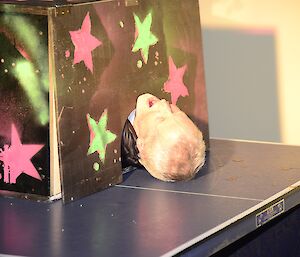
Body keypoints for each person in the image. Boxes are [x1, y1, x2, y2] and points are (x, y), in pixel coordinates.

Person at [121, 93, 206, 181]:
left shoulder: (122, 146)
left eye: (161, 119)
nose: (164, 104)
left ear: (141, 145)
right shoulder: (146, 132)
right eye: (175, 112)